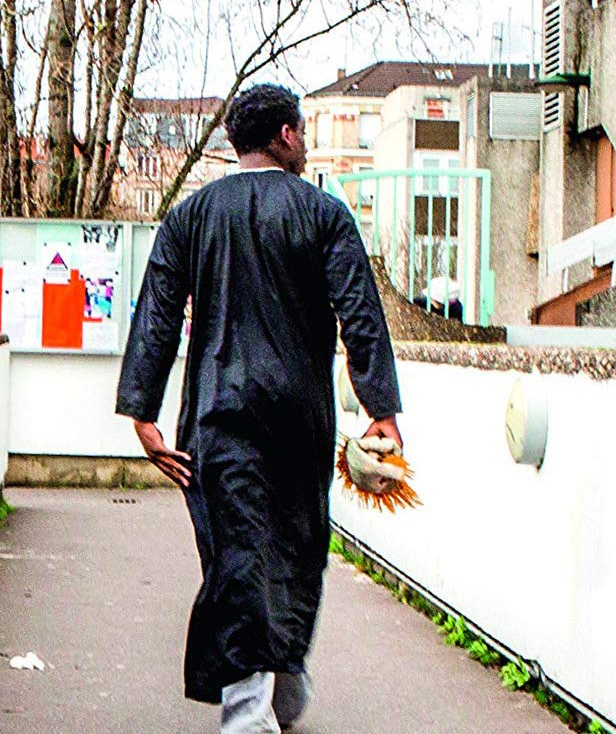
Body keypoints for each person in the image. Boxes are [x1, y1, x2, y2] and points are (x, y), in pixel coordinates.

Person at [116, 84, 402, 733]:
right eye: (300, 129)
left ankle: (273, 683)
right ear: (285, 136)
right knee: (296, 548)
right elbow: (360, 314)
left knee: (236, 556)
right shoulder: (323, 213)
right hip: (298, 420)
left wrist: (143, 411)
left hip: (215, 416)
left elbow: (157, 312)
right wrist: (378, 408)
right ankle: (258, 703)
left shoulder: (190, 217)